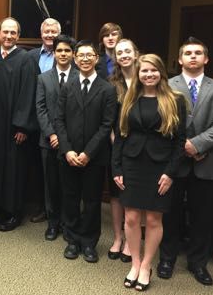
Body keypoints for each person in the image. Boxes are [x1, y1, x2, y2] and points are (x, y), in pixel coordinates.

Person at [158, 37, 213, 286]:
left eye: (198, 53)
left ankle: (198, 263)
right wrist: (184, 148)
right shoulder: (167, 86)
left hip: (206, 162)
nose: (193, 56)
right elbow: (162, 122)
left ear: (206, 59)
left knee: (202, 216)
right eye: (188, 53)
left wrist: (198, 145)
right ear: (180, 59)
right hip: (174, 164)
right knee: (171, 214)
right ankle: (167, 259)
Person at [112, 54, 187, 291]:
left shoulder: (175, 100)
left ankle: (146, 266)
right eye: (144, 71)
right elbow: (120, 136)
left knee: (154, 219)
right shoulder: (128, 98)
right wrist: (116, 168)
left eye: (154, 70)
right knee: (131, 218)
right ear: (138, 74)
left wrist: (171, 173)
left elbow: (180, 141)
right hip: (131, 164)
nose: (149, 74)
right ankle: (135, 264)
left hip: (160, 167)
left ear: (161, 73)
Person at [53, 40, 117, 263]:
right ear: (75, 58)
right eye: (81, 55)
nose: (85, 59)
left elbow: (106, 125)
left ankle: (89, 242)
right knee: (70, 199)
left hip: (95, 157)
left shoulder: (107, 89)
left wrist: (88, 153)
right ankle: (72, 240)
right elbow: (58, 120)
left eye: (90, 55)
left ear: (96, 58)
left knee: (91, 201)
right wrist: (67, 150)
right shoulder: (67, 86)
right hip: (69, 155)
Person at [0, 18, 39, 231]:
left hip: (15, 128)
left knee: (14, 169)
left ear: (18, 36)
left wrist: (23, 126)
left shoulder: (26, 60)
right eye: (5, 32)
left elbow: (29, 93)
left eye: (13, 32)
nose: (8, 36)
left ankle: (13, 213)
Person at [35, 34, 76, 241]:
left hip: (72, 142)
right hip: (48, 141)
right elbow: (40, 109)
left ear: (73, 54)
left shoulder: (80, 76)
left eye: (67, 50)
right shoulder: (43, 78)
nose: (63, 54)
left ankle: (68, 224)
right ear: (54, 53)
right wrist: (51, 133)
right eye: (59, 50)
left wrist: (65, 138)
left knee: (69, 185)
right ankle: (52, 223)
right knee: (50, 184)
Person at [26, 18, 62, 223]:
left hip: (55, 121)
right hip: (33, 119)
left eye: (53, 31)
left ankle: (57, 211)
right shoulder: (30, 56)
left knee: (56, 169)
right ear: (41, 34)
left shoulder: (66, 54)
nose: (50, 35)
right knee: (37, 167)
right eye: (46, 31)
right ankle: (40, 206)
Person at [106, 38, 139, 263]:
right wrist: (113, 140)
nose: (124, 55)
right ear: (116, 58)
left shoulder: (146, 78)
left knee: (135, 194)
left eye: (128, 51)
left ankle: (130, 240)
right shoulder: (111, 83)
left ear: (136, 53)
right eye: (120, 53)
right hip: (116, 145)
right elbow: (108, 117)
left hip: (141, 147)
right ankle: (118, 238)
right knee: (116, 194)